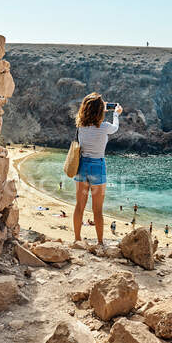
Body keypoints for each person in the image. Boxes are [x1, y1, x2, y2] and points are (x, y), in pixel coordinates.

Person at [72, 92, 122, 245]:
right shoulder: (105, 127)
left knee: (80, 206)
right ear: (100, 110)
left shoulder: (81, 126)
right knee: (97, 209)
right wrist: (116, 114)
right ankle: (100, 242)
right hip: (97, 166)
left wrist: (99, 108)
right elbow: (115, 128)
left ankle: (77, 239)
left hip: (82, 166)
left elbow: (90, 122)